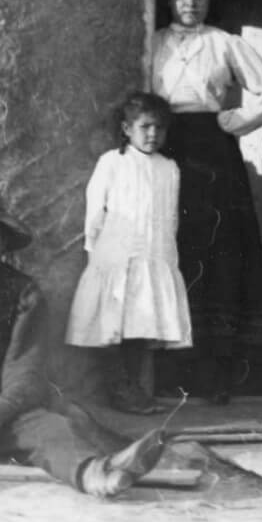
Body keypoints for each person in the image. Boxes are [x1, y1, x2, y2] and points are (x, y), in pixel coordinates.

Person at [0, 188, 169, 498]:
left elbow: (25, 371)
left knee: (55, 429)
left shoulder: (24, 293)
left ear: (3, 244)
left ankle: (95, 475)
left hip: (7, 414)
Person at [151, 0, 262, 404]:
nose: (190, 3)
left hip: (213, 153)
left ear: (210, 1)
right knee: (173, 249)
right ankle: (169, 373)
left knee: (219, 252)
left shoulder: (225, 43)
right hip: (166, 148)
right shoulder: (152, 41)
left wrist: (234, 120)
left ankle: (217, 375)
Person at [66, 92, 192, 414]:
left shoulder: (170, 168)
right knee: (111, 326)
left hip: (154, 256)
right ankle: (118, 390)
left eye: (160, 128)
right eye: (146, 127)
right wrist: (96, 250)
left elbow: (171, 215)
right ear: (126, 128)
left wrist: (167, 254)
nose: (153, 135)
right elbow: (95, 208)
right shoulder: (112, 162)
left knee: (140, 325)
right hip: (117, 256)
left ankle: (132, 389)